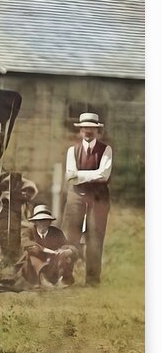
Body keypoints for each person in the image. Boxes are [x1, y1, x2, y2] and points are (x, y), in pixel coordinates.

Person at [61, 112, 112, 286]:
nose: (88, 131)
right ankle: (66, 277)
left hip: (98, 198)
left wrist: (79, 175)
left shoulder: (106, 149)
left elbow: (104, 175)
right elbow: (70, 177)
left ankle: (92, 280)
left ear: (97, 130)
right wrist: (92, 175)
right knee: (70, 236)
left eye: (92, 128)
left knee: (95, 238)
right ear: (80, 130)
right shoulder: (72, 150)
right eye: (85, 128)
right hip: (76, 196)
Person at [16, 205, 77, 288]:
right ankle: (40, 280)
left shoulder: (57, 232)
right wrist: (44, 249)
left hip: (52, 265)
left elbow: (66, 245)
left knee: (68, 255)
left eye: (46, 221)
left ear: (50, 222)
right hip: (33, 268)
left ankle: (63, 279)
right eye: (39, 221)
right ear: (35, 222)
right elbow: (26, 242)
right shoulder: (29, 231)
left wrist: (66, 250)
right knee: (32, 252)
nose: (42, 224)